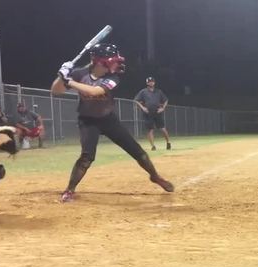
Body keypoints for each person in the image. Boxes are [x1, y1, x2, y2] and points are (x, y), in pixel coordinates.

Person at [52, 43, 174, 203]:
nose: (117, 64)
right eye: (113, 61)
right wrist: (61, 77)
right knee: (87, 157)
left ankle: (155, 176)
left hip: (108, 119)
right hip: (88, 120)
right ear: (101, 61)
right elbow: (55, 90)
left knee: (138, 152)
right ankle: (69, 190)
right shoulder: (79, 74)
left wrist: (68, 80)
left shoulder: (113, 77)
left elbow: (94, 92)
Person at [134, 77, 172, 151]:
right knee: (150, 130)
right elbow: (136, 100)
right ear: (147, 83)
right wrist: (143, 108)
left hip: (157, 112)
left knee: (162, 129)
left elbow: (166, 100)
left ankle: (168, 142)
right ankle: (153, 146)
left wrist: (163, 108)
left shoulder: (159, 91)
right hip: (148, 113)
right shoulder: (143, 91)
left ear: (154, 82)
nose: (151, 82)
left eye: (152, 81)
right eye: (149, 81)